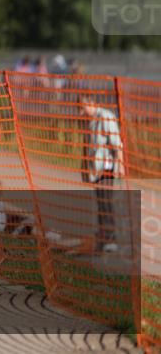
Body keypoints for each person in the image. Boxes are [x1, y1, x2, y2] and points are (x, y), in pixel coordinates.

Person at [80, 97, 125, 254]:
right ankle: (103, 235)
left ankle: (111, 239)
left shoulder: (105, 117)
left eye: (83, 108)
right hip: (96, 169)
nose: (81, 112)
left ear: (91, 103)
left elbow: (117, 144)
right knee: (100, 203)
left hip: (107, 168)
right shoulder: (90, 120)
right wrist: (84, 169)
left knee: (106, 202)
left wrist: (120, 164)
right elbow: (88, 147)